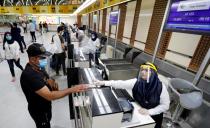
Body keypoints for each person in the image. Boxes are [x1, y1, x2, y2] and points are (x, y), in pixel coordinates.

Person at [20, 43, 88, 128]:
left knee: (48, 122)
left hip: (46, 106)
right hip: (39, 111)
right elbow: (50, 96)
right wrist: (72, 89)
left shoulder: (39, 68)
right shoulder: (30, 75)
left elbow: (49, 81)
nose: (45, 60)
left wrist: (51, 81)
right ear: (33, 59)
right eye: (42, 58)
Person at [95, 62, 170, 128]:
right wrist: (104, 82)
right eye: (142, 70)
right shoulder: (136, 82)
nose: (143, 72)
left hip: (154, 116)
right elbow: (121, 83)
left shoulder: (161, 87)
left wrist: (150, 112)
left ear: (153, 73)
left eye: (146, 70)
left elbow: (165, 105)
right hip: (139, 111)